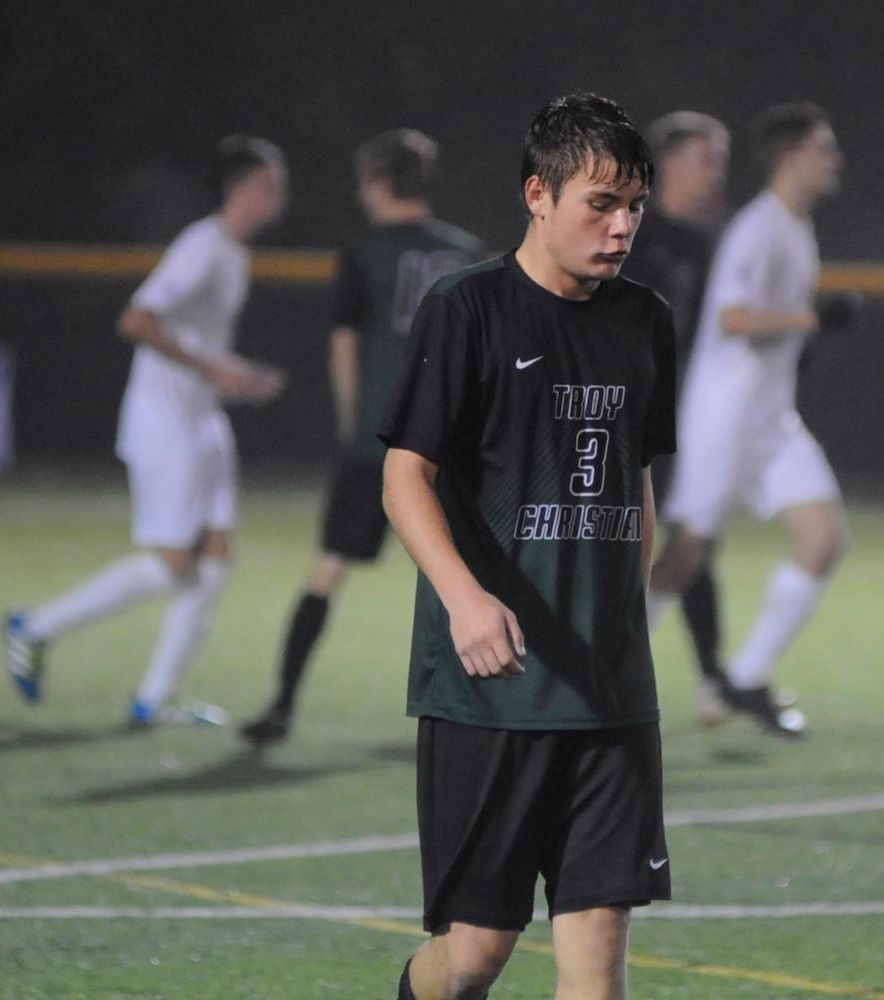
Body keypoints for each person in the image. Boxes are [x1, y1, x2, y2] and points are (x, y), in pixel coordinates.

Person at [380, 92, 675, 1000]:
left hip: (609, 695)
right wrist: (466, 601)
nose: (621, 225)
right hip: (491, 697)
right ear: (537, 195)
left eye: (634, 204)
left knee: (598, 964)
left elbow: (637, 478)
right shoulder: (465, 309)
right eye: (600, 204)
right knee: (474, 957)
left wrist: (623, 609)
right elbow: (404, 477)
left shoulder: (646, 321)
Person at [1, 135, 288, 725]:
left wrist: (234, 374)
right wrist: (213, 369)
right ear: (237, 190)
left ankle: (155, 699)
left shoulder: (232, 252)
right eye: (268, 185)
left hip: (202, 419)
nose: (278, 196)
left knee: (216, 556)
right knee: (174, 563)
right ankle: (33, 628)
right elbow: (136, 319)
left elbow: (197, 340)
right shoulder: (203, 246)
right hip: (166, 423)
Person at [239, 129, 482, 748]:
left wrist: (353, 424)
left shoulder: (363, 251)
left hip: (381, 443)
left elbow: (345, 344)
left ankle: (282, 706)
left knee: (327, 571)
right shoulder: (468, 252)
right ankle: (480, 716)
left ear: (377, 183)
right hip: (451, 446)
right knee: (461, 580)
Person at [643, 102, 850, 739]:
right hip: (723, 419)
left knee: (824, 540)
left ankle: (747, 676)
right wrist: (813, 318)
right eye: (824, 149)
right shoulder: (758, 229)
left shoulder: (794, 226)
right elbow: (732, 318)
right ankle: (603, 671)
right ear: (792, 157)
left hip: (771, 420)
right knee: (684, 557)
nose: (834, 160)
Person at [617, 110, 734, 725]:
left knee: (696, 539)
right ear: (670, 165)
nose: (717, 171)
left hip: (697, 419)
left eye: (721, 159)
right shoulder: (630, 230)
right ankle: (596, 659)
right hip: (629, 414)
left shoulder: (721, 240)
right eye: (705, 157)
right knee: (627, 541)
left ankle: (713, 678)